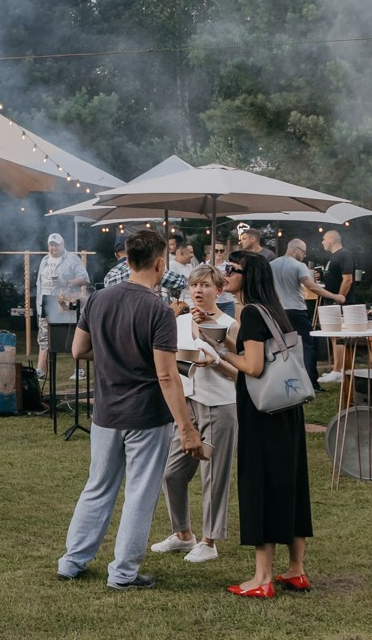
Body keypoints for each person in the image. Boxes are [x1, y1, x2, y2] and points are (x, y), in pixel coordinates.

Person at [56, 229, 207, 590]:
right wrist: (187, 428)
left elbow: (78, 350)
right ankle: (123, 573)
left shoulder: (98, 299)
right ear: (159, 264)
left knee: (98, 486)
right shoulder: (158, 309)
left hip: (107, 412)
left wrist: (113, 354)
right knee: (139, 491)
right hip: (146, 415)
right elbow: (167, 376)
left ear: (127, 259)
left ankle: (72, 561)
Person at [211, 250, 315, 597]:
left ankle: (262, 579)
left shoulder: (252, 313)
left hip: (262, 413)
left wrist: (220, 354)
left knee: (262, 485)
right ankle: (296, 570)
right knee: (292, 484)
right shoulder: (273, 311)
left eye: (231, 268)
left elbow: (253, 366)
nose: (225, 274)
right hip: (287, 409)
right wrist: (223, 342)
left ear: (247, 275)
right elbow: (259, 355)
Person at [151, 264, 239, 564]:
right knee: (172, 472)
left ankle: (209, 541)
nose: (199, 291)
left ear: (219, 290)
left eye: (205, 285)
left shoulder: (230, 324)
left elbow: (242, 373)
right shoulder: (180, 320)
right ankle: (183, 534)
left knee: (213, 475)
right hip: (188, 403)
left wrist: (214, 360)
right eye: (195, 285)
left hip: (219, 403)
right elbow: (173, 360)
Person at [271, 238, 339, 384]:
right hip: (296, 311)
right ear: (295, 249)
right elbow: (311, 287)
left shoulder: (271, 265)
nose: (304, 255)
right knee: (306, 345)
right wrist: (335, 296)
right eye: (303, 252)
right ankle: (311, 381)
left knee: (282, 345)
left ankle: (284, 380)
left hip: (277, 312)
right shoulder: (299, 265)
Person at [38, 234, 89, 404]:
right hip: (46, 304)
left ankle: (79, 370)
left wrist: (66, 281)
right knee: (44, 338)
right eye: (51, 245)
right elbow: (39, 283)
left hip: (66, 303)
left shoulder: (72, 259)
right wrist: (38, 303)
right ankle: (41, 371)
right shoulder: (44, 260)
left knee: (73, 336)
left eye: (56, 245)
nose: (53, 248)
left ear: (63, 244)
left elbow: (85, 278)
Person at [316, 229, 357, 384]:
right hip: (332, 302)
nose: (322, 242)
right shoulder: (334, 257)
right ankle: (336, 369)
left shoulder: (344, 254)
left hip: (339, 303)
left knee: (339, 336)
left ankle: (339, 371)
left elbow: (347, 279)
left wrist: (339, 299)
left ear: (332, 239)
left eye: (324, 239)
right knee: (334, 336)